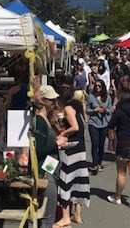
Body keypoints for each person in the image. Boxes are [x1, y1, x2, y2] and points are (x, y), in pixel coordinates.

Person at [55, 91, 90, 227]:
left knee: (66, 181)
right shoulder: (78, 109)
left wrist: (62, 133)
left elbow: (74, 127)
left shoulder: (68, 109)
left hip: (72, 149)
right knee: (78, 181)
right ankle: (77, 215)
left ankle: (65, 217)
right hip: (80, 148)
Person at [34, 85, 64, 228]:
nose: (54, 103)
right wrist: (57, 144)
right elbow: (38, 150)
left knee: (49, 212)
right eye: (51, 100)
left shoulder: (46, 119)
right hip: (45, 169)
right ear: (43, 101)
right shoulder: (40, 120)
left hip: (50, 166)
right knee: (48, 214)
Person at [86, 82, 112, 174]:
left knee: (101, 144)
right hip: (93, 123)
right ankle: (94, 163)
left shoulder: (107, 97)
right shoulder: (90, 97)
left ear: (103, 87)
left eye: (99, 86)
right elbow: (87, 110)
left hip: (104, 123)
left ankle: (99, 163)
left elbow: (110, 110)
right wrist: (94, 110)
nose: (97, 87)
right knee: (95, 143)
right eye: (96, 86)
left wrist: (105, 110)